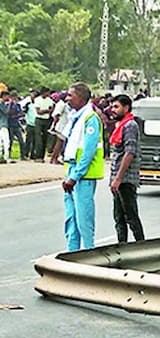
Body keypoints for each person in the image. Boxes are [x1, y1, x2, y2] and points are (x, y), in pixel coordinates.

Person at [58, 82, 105, 251]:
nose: (67, 99)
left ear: (81, 97)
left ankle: (89, 254)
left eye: (71, 95)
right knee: (71, 219)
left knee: (83, 219)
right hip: (71, 171)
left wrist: (75, 176)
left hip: (83, 175)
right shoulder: (75, 117)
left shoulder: (90, 119)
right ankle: (73, 253)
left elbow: (88, 152)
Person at [109, 94, 145, 244]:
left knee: (130, 215)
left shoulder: (130, 126)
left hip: (126, 179)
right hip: (118, 178)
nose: (113, 110)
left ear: (126, 108)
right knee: (119, 217)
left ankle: (141, 246)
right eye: (112, 106)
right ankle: (122, 246)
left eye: (116, 107)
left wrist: (118, 178)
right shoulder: (121, 125)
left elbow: (130, 152)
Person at [33, 87, 54, 161]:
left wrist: (45, 111)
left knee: (45, 138)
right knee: (38, 138)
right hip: (39, 120)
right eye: (47, 92)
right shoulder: (37, 100)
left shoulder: (50, 100)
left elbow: (51, 110)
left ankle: (42, 156)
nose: (48, 94)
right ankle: (37, 156)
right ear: (44, 92)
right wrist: (47, 110)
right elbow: (38, 112)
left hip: (46, 120)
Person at [8, 92, 25, 160]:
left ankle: (23, 156)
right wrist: (10, 103)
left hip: (17, 124)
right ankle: (8, 155)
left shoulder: (18, 105)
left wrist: (15, 116)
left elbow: (22, 113)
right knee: (10, 141)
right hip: (10, 125)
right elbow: (8, 113)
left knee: (21, 141)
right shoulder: (8, 105)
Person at [0, 91, 10, 163]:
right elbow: (6, 111)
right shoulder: (1, 103)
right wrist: (9, 104)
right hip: (3, 124)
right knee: (6, 141)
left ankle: (1, 156)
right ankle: (6, 157)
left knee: (1, 142)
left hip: (2, 123)